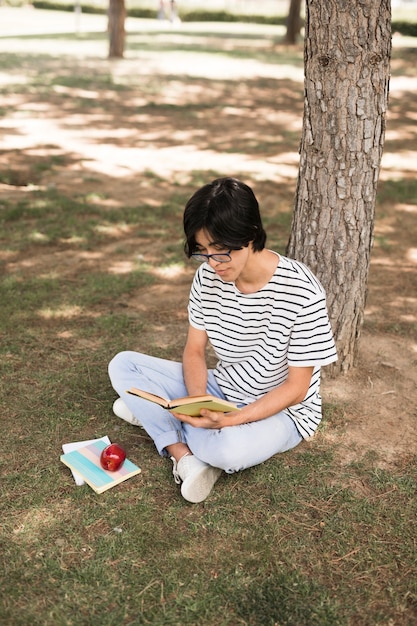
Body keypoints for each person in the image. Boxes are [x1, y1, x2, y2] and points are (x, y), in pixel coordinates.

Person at [108, 177, 337, 503]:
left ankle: (156, 420)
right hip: (223, 390)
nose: (213, 263)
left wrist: (230, 420)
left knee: (228, 451)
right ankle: (184, 457)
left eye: (222, 250)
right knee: (124, 364)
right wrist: (199, 402)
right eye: (203, 251)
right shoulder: (207, 278)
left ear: (251, 235)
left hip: (283, 411)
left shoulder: (301, 290)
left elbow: (297, 388)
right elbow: (194, 351)